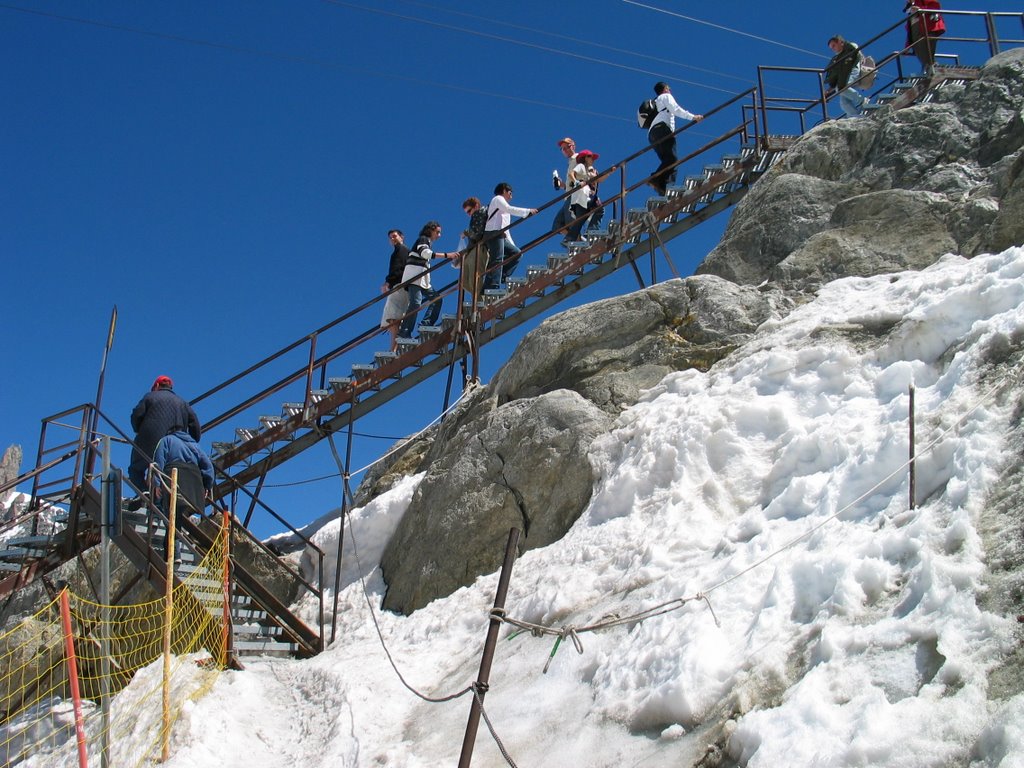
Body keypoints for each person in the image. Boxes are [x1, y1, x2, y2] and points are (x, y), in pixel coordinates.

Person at [151, 426, 215, 562]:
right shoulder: (195, 445)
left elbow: (158, 462)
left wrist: (156, 483)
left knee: (171, 515)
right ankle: (173, 551)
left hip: (175, 479)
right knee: (177, 517)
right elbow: (208, 466)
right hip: (194, 487)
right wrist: (207, 486)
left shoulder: (166, 440)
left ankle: (174, 553)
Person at [129, 375, 201, 496]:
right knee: (167, 473)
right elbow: (195, 424)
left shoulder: (150, 396)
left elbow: (136, 416)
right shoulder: (183, 403)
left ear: (156, 386)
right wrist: (191, 442)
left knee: (135, 469)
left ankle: (144, 493)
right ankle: (161, 502)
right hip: (174, 446)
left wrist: (138, 430)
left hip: (148, 443)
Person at [398, 221, 457, 339]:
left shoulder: (427, 242)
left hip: (422, 280)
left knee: (437, 299)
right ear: (431, 230)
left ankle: (426, 323)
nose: (439, 235)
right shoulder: (423, 239)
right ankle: (404, 331)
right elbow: (425, 254)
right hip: (414, 278)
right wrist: (447, 255)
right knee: (415, 302)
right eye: (437, 232)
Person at [648, 81, 703, 196]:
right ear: (665, 89)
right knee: (673, 160)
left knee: (668, 161)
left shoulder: (655, 102)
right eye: (669, 88)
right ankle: (659, 181)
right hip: (663, 129)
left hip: (652, 135)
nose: (670, 90)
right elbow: (676, 109)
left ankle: (663, 189)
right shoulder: (666, 96)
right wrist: (693, 117)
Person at [484, 182, 537, 291]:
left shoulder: (503, 209)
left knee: (516, 253)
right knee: (497, 259)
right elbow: (510, 209)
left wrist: (513, 246)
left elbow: (506, 229)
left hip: (499, 235)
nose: (511, 196)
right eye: (510, 193)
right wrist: (527, 211)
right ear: (504, 190)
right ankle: (494, 286)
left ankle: (500, 278)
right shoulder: (498, 199)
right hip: (493, 233)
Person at [380, 229, 410, 351]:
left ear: (401, 237)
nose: (392, 239)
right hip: (403, 286)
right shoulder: (403, 251)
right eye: (390, 237)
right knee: (395, 319)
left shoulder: (401, 250)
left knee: (393, 319)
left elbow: (398, 269)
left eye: (394, 236)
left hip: (399, 286)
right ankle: (395, 346)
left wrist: (388, 282)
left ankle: (394, 348)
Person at [825, 36, 869, 119]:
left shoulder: (850, 46)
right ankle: (856, 116)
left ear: (840, 42)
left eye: (833, 45)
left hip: (854, 71)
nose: (833, 49)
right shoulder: (837, 58)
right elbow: (838, 74)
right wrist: (828, 90)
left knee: (840, 88)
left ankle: (862, 101)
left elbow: (856, 54)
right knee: (843, 102)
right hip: (845, 77)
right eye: (831, 48)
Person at [457, 197, 491, 299]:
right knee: (464, 281)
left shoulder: (480, 212)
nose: (468, 214)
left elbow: (478, 234)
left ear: (476, 206)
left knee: (473, 279)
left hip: (479, 248)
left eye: (469, 211)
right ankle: (479, 300)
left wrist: (466, 232)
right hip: (473, 250)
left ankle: (480, 302)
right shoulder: (477, 215)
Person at [565, 150, 600, 242]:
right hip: (581, 196)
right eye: (590, 156)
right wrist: (576, 182)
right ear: (585, 158)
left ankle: (570, 238)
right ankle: (589, 232)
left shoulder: (592, 170)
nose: (592, 159)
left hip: (588, 196)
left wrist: (609, 173)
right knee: (598, 209)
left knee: (584, 216)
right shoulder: (581, 166)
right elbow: (571, 174)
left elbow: (599, 180)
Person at [905, 1, 945, 74]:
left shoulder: (924, 2)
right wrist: (907, 46)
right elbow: (910, 32)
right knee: (919, 48)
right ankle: (928, 67)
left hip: (928, 28)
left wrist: (920, 9)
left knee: (929, 47)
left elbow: (935, 7)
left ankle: (931, 66)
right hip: (917, 33)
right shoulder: (910, 9)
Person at [551, 137, 578, 237]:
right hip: (569, 195)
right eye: (563, 148)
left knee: (571, 223)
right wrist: (562, 185)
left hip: (575, 196)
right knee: (557, 226)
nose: (565, 150)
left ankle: (578, 243)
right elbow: (570, 184)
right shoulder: (571, 161)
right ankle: (579, 241)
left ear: (573, 146)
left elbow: (584, 172)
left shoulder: (578, 158)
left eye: (567, 147)